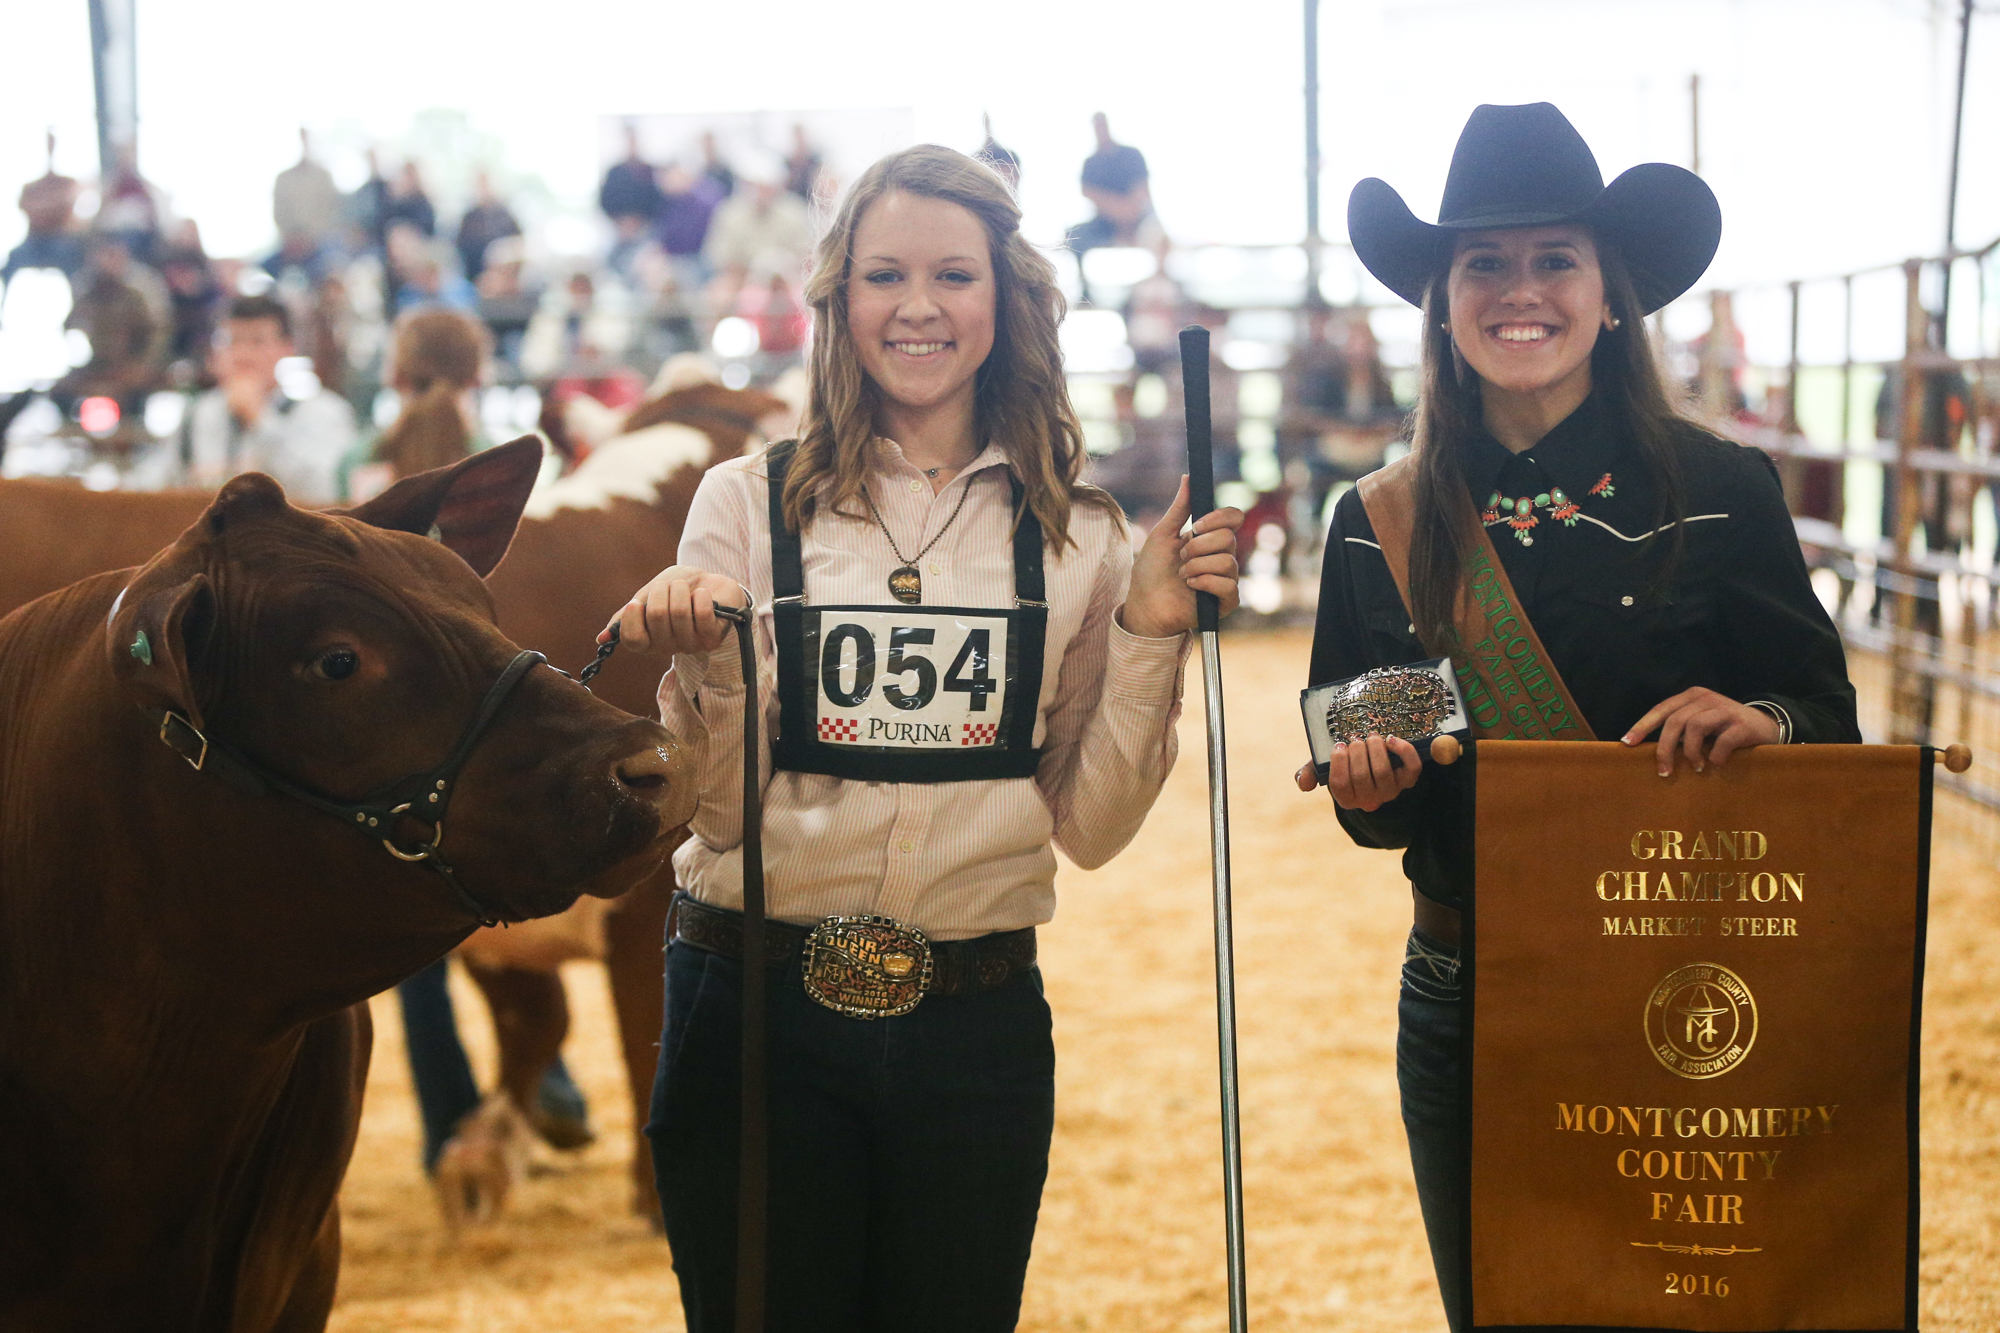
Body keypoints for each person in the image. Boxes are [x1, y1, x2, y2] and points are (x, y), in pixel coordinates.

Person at [609, 143, 1243, 1331]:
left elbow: (1093, 830)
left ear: (1003, 301)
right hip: (751, 1005)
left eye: (953, 275)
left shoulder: (1082, 536)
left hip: (972, 1020)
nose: (916, 307)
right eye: (882, 274)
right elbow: (717, 809)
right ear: (836, 300)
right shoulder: (743, 504)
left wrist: (1152, 626)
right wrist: (710, 658)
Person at [1305, 103, 1859, 1332]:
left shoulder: (1720, 488)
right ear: (1443, 301)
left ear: (1610, 293)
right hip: (1465, 977)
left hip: (1687, 980)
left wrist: (1763, 718)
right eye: (1482, 264)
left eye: (1554, 258)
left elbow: (1829, 718)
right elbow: (1373, 819)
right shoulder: (1374, 520)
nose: (1520, 290)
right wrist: (1367, 785)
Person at [134, 293, 355, 503]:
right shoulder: (197, 414)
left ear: (287, 348)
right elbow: (150, 487)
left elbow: (327, 493)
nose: (243, 354)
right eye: (232, 341)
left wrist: (260, 420)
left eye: (257, 342)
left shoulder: (321, 412)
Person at [702, 152, 815, 317]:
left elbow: (806, 258)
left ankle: (808, 339)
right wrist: (751, 277)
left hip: (788, 281)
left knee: (812, 298)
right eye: (753, 185)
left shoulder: (795, 211)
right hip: (742, 279)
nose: (759, 191)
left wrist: (780, 274)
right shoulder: (729, 213)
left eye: (765, 186)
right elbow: (723, 260)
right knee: (718, 294)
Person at [455, 170, 521, 285]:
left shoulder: (506, 216)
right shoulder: (469, 217)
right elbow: (460, 247)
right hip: (474, 275)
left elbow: (518, 243)